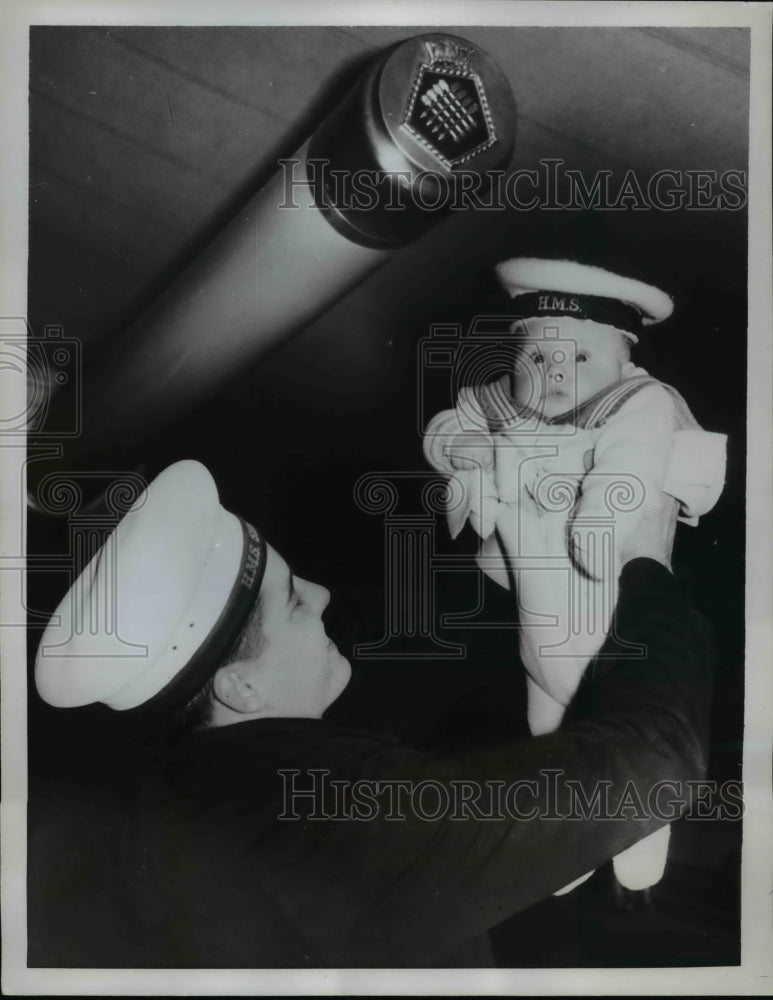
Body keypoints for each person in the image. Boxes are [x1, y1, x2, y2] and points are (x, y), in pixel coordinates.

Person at [33, 459, 714, 968]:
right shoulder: (310, 816)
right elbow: (652, 767)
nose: (323, 594)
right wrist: (648, 566)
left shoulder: (208, 794)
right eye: (295, 601)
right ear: (239, 687)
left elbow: (408, 688)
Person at [423, 257, 726, 892]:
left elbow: (633, 462)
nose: (555, 372)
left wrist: (600, 517)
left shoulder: (636, 402)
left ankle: (642, 825)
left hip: (607, 624)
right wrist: (460, 447)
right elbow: (443, 426)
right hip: (537, 626)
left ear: (625, 361)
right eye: (537, 358)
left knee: (628, 738)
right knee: (549, 732)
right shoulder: (502, 405)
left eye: (580, 359)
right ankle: (563, 836)